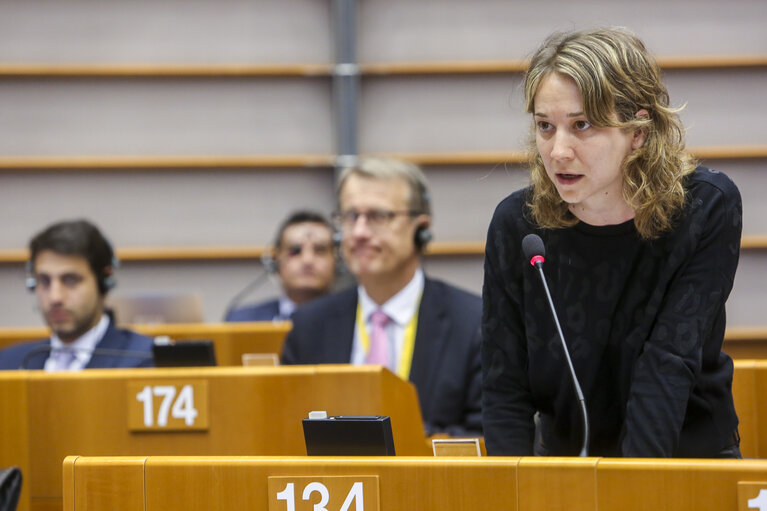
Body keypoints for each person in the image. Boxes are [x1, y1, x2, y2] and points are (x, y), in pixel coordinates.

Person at [482, 27, 742, 458]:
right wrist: (509, 493)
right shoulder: (518, 226)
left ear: (638, 131)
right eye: (545, 127)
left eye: (581, 125)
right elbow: (504, 383)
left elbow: (668, 364)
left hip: (685, 463)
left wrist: (627, 493)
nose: (558, 151)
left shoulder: (703, 208)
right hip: (567, 469)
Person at [282, 157, 482, 436]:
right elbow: (284, 433)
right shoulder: (309, 326)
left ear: (421, 229)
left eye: (378, 216)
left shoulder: (473, 323)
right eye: (351, 217)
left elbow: (486, 439)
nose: (360, 233)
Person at [0, 220, 154, 370]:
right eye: (44, 281)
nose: (55, 297)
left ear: (103, 282)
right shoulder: (8, 364)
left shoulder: (146, 361)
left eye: (70, 280)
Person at [225, 211, 337, 322]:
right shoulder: (243, 322)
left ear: (337, 261)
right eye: (295, 251)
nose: (307, 260)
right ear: (275, 261)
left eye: (320, 250)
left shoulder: (352, 320)